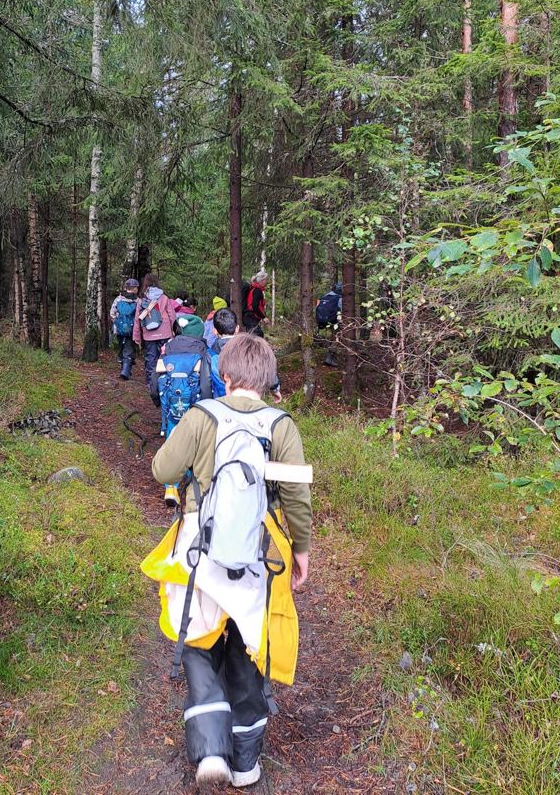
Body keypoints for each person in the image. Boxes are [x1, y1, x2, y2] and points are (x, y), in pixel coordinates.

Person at [143, 334, 312, 790]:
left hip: (198, 551)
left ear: (226, 374)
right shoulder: (282, 427)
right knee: (246, 649)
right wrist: (301, 551)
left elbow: (161, 470)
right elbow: (296, 497)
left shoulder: (202, 416)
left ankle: (210, 756)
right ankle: (245, 763)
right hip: (255, 556)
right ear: (267, 378)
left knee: (199, 646)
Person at [150, 313, 212, 506]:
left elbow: (155, 378)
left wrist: (156, 400)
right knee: (198, 441)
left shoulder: (167, 349)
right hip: (196, 405)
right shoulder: (203, 351)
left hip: (171, 404)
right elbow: (206, 381)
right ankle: (196, 483)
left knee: (173, 440)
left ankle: (171, 487)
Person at [209, 307, 281, 402]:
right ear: (237, 328)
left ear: (214, 331)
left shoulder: (209, 354)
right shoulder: (248, 348)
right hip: (250, 401)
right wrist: (275, 389)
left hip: (219, 404)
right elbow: (264, 366)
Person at [133, 274, 176, 388]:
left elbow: (138, 319)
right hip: (165, 332)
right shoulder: (164, 298)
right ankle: (166, 379)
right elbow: (172, 316)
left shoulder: (142, 300)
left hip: (149, 334)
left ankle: (151, 383)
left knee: (151, 358)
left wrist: (136, 336)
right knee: (165, 356)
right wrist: (174, 331)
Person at [109, 278, 140, 380]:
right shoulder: (138, 301)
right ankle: (126, 372)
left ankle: (124, 368)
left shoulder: (118, 299)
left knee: (121, 347)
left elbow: (112, 313)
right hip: (132, 330)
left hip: (119, 329)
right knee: (129, 348)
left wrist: (117, 323)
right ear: (134, 288)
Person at [315, 282, 342, 368]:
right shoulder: (339, 298)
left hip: (325, 320)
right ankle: (329, 357)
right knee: (337, 338)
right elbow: (342, 310)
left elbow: (317, 307)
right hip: (335, 321)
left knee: (333, 337)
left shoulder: (326, 296)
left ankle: (331, 357)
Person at [242, 271, 268, 336]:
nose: (266, 281)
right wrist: (264, 317)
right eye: (265, 279)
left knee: (253, 336)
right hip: (251, 317)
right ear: (262, 280)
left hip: (249, 317)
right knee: (257, 335)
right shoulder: (257, 290)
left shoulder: (253, 288)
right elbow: (255, 306)